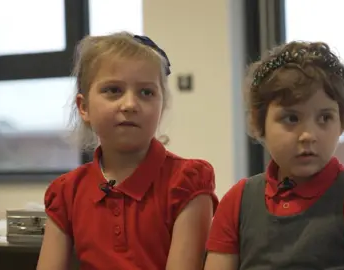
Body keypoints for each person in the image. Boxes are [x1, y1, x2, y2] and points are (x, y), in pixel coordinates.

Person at [204, 41, 344, 270]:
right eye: (291, 118)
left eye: (324, 118)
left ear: (341, 123)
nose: (308, 135)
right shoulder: (238, 201)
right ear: (260, 124)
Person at [37, 32, 218, 270]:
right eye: (113, 90)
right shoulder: (65, 192)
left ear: (161, 107)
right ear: (84, 107)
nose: (130, 105)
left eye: (146, 92)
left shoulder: (187, 181)